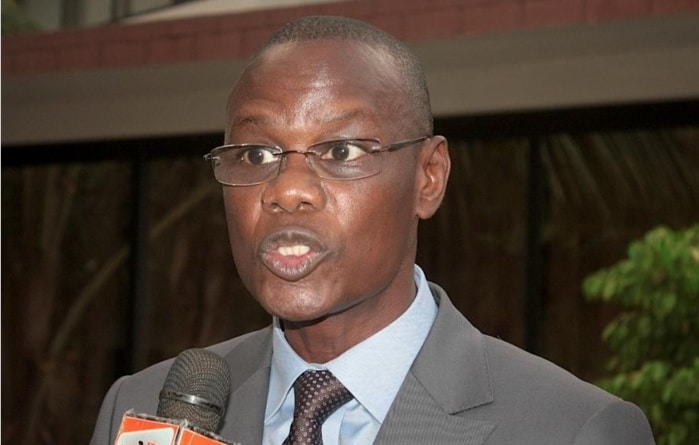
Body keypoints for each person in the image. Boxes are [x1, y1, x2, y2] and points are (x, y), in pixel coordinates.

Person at [91, 15, 655, 445]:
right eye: (257, 154)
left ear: (428, 178)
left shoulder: (573, 430)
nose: (287, 190)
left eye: (341, 150)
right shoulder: (144, 408)